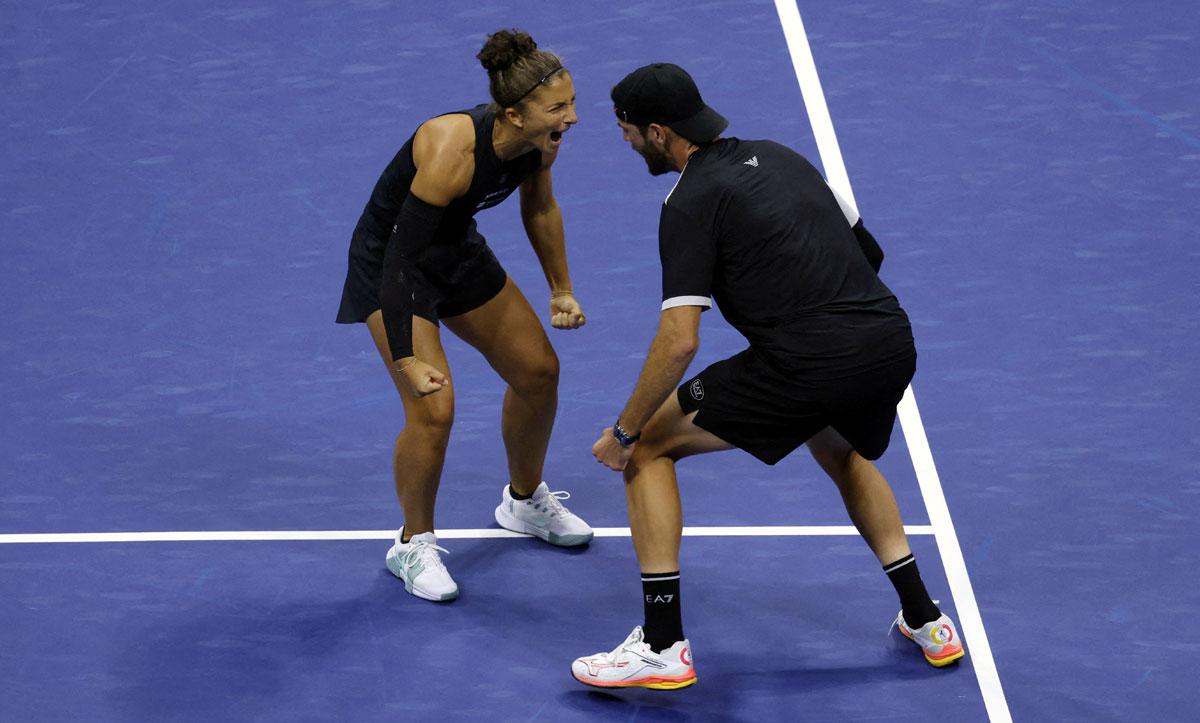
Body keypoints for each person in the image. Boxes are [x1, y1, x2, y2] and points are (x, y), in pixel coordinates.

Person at [570, 63, 965, 688]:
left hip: (807, 362)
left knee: (648, 448)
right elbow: (869, 254)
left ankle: (663, 645)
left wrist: (622, 431)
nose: (623, 142)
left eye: (625, 131)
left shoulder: (687, 201)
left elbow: (679, 343)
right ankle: (927, 619)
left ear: (658, 132)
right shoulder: (784, 156)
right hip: (889, 342)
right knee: (842, 449)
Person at [336, 29, 593, 603]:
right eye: (559, 107)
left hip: (454, 251)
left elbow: (541, 206)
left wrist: (561, 290)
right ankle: (411, 542)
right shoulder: (450, 146)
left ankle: (524, 502)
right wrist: (405, 355)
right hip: (391, 267)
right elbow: (401, 259)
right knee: (434, 406)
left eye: (571, 102)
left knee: (537, 372)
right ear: (512, 114)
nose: (572, 117)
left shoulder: (539, 140)